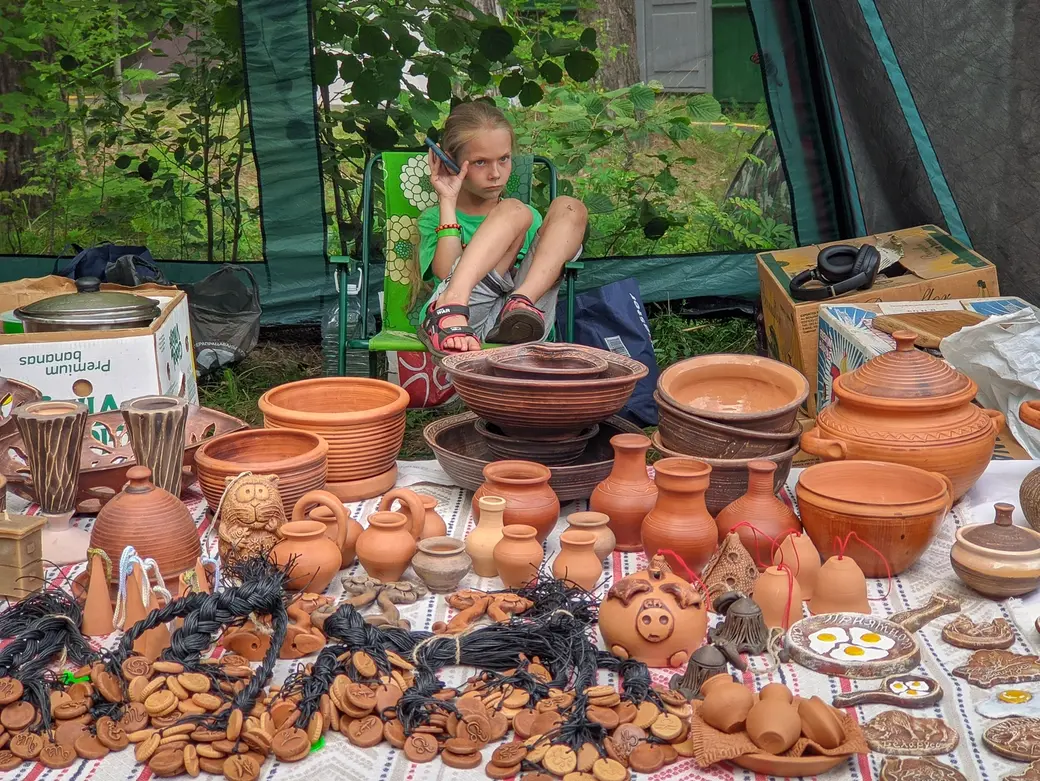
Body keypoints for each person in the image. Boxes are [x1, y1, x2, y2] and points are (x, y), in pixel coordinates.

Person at [417, 101, 588, 355]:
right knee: (514, 210)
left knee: (570, 207)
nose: (495, 173)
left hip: (519, 321)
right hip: (458, 319)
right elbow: (444, 272)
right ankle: (448, 305)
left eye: (504, 159)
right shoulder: (435, 217)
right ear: (449, 161)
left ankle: (521, 302)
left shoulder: (528, 218)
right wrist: (448, 201)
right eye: (480, 163)